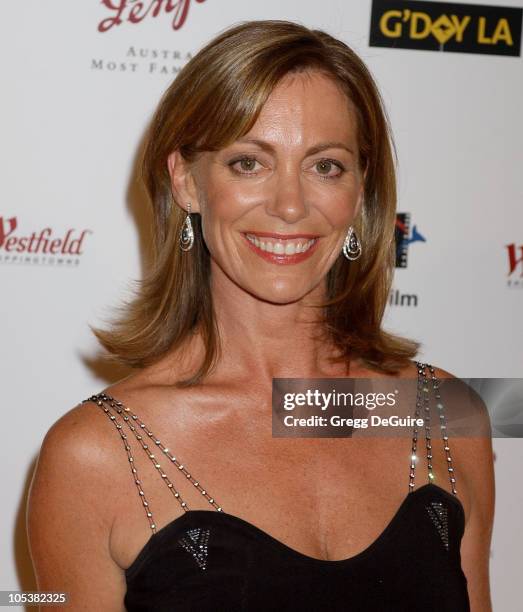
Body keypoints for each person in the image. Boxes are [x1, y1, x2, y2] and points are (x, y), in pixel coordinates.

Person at [26, 19, 495, 611]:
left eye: (325, 166)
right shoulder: (94, 454)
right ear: (187, 182)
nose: (291, 204)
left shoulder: (449, 416)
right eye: (249, 162)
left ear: (360, 192)